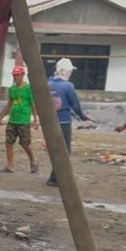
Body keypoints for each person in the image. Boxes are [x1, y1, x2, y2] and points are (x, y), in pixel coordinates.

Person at [46, 57, 90, 186]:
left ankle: (55, 176)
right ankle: (55, 178)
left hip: (50, 121)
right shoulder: (68, 86)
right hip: (63, 122)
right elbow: (75, 105)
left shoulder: (48, 84)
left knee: (55, 150)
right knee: (65, 151)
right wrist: (82, 116)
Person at [0, 66, 39, 173]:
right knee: (8, 143)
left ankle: (33, 159)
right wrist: (0, 118)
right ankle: (10, 166)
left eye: (17, 75)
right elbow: (9, 104)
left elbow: (33, 105)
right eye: (14, 75)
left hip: (24, 120)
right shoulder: (12, 89)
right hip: (12, 120)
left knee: (25, 143)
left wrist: (35, 119)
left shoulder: (28, 89)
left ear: (23, 75)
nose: (16, 77)